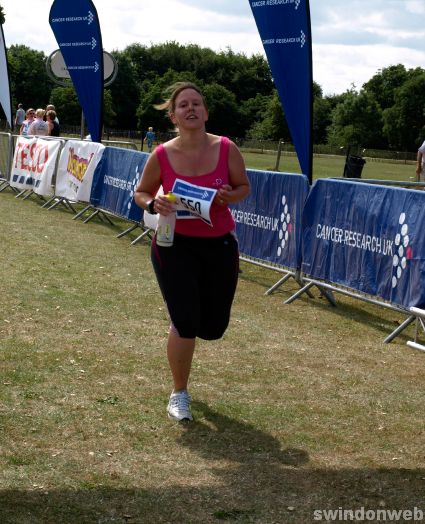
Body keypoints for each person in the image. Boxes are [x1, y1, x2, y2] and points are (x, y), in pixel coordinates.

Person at [134, 82, 250, 422]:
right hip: (174, 245)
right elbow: (141, 193)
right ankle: (179, 392)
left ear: (206, 112)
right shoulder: (162, 154)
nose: (190, 109)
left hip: (219, 245)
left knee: (213, 327)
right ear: (173, 115)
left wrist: (232, 195)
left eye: (196, 103)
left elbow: (244, 186)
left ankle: (184, 319)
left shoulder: (227, 149)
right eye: (183, 105)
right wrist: (153, 203)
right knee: (185, 321)